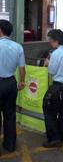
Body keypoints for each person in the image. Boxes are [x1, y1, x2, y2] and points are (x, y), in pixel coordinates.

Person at [0, 20, 25, 153]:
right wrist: (22, 82)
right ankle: (10, 145)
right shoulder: (18, 47)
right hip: (11, 83)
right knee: (10, 115)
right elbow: (22, 68)